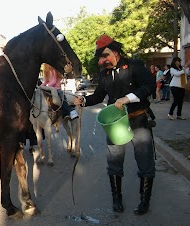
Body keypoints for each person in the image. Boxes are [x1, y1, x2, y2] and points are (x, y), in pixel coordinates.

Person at [73, 34, 156, 215]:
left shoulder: (134, 66)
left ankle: (144, 201)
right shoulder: (104, 74)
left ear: (116, 52)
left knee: (145, 161)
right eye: (100, 57)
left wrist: (128, 98)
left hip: (138, 119)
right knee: (114, 162)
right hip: (115, 123)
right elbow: (98, 95)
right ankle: (116, 199)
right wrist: (83, 101)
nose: (103, 60)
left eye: (105, 55)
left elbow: (150, 85)